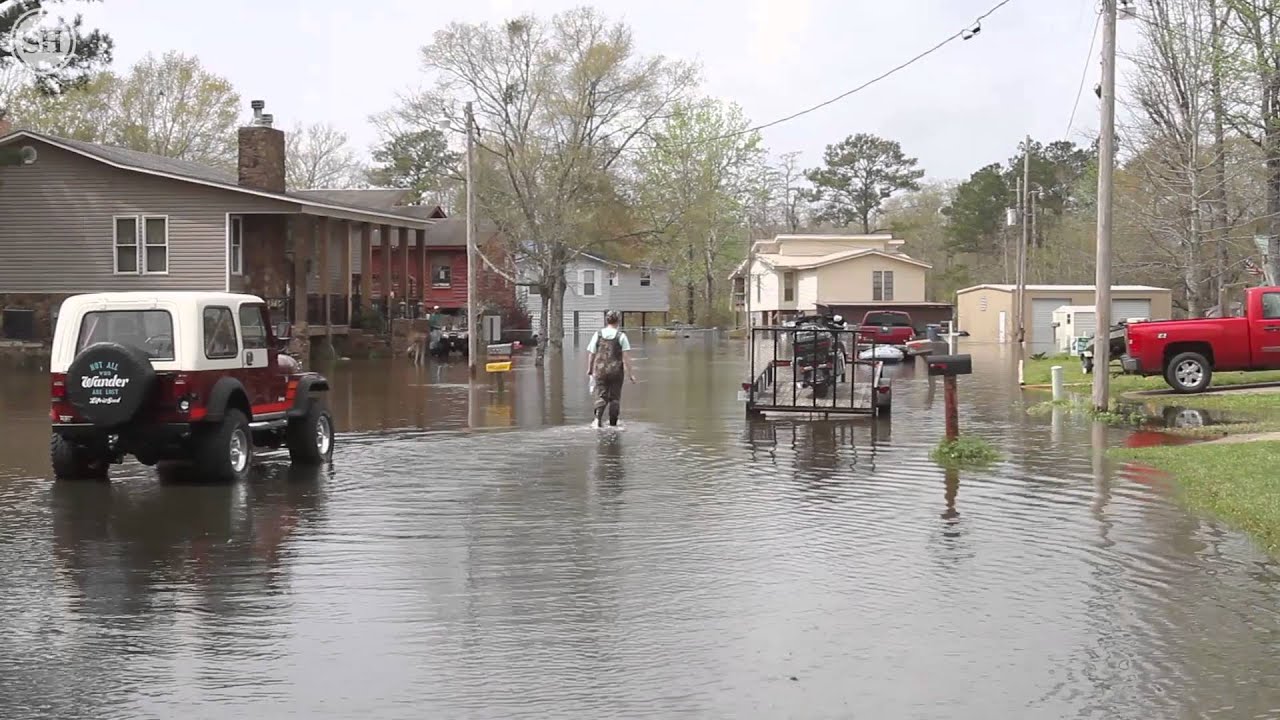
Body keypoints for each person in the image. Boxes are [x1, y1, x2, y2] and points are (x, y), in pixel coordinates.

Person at [586, 310, 637, 427]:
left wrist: (589, 369)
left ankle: (597, 420)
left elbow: (591, 353)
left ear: (606, 320)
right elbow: (626, 357)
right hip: (616, 371)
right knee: (614, 398)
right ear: (618, 320)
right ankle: (613, 424)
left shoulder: (597, 334)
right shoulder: (621, 336)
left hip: (600, 370)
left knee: (601, 395)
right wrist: (630, 374)